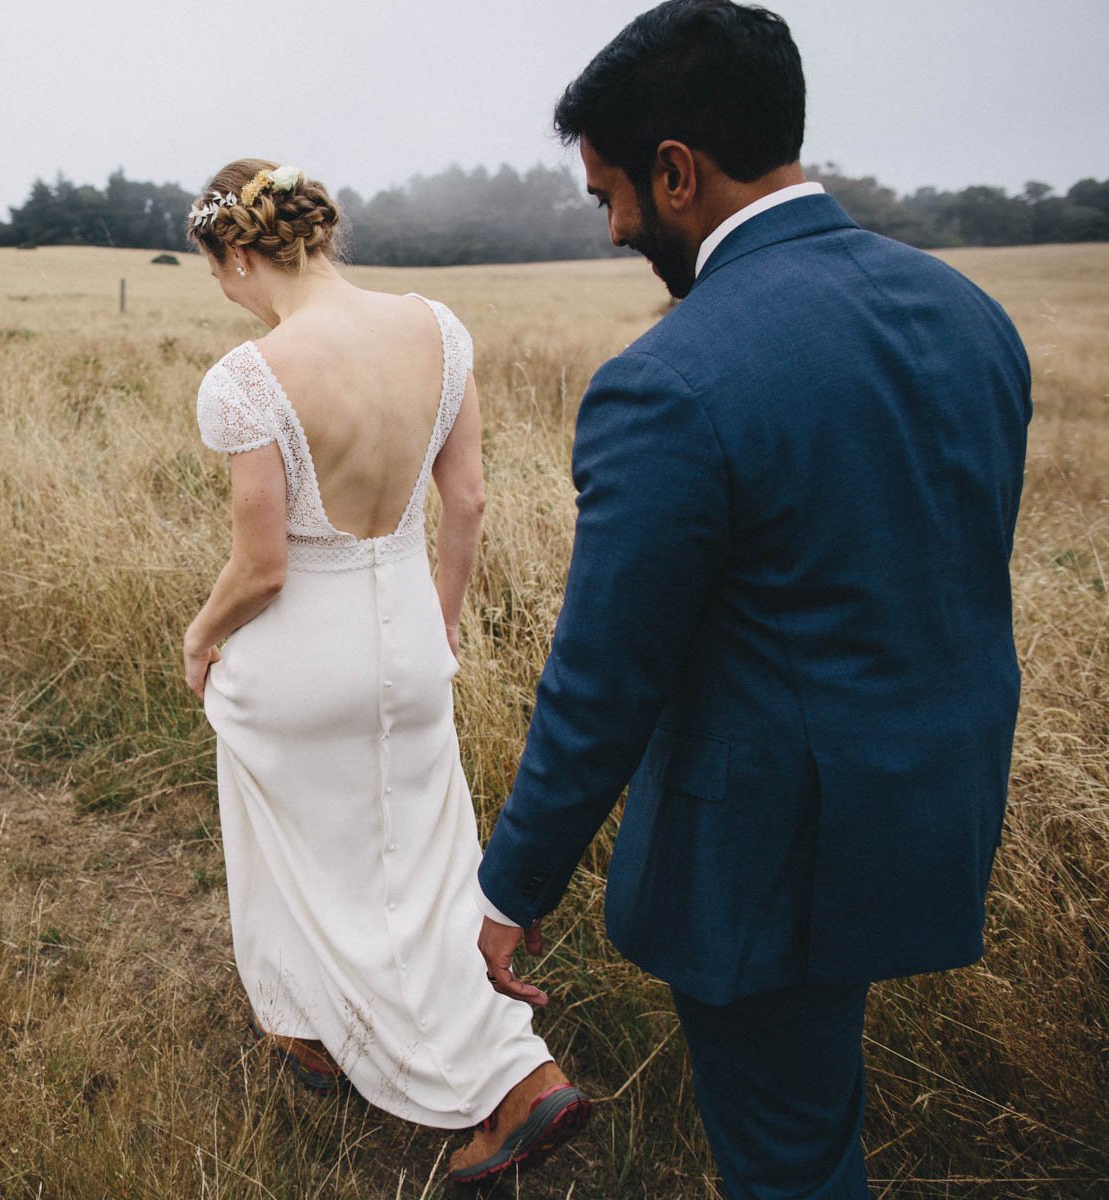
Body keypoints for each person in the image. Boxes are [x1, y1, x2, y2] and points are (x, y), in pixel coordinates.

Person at [472, 3, 1032, 1197]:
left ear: (677, 172)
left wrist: (511, 884)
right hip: (932, 806)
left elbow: (605, 678)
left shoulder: (670, 381)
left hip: (770, 857)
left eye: (609, 193)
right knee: (816, 1103)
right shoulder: (972, 318)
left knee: (789, 1157)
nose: (615, 225)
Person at [181, 158, 590, 1185]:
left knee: (286, 841)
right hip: (408, 634)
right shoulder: (439, 332)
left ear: (239, 254)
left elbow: (261, 565)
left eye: (220, 274)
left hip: (296, 658)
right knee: (427, 859)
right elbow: (469, 505)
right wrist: (436, 631)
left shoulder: (249, 377)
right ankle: (502, 1071)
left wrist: (201, 635)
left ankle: (343, 1037)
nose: (227, 295)